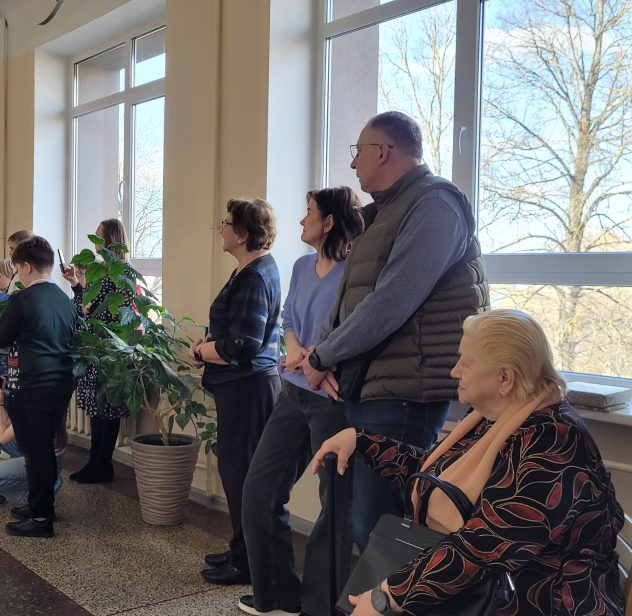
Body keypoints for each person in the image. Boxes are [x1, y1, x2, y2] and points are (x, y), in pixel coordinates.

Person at [312, 309, 624, 615]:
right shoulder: (496, 418)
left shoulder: (552, 441)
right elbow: (437, 477)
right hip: (483, 590)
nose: (454, 371)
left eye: (466, 362)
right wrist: (361, 441)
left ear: (505, 378)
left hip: (540, 600)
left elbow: (484, 544)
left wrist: (389, 596)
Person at [301, 111, 488, 550]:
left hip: (404, 395)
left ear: (383, 151)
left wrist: (322, 356)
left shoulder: (436, 204)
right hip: (367, 386)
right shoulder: (382, 214)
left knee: (381, 530)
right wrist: (318, 354)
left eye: (358, 151)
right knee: (361, 524)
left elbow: (391, 301)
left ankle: (391, 593)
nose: (353, 163)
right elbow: (346, 299)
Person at [238, 188, 364, 616]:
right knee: (259, 490)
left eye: (309, 213)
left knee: (335, 509)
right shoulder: (299, 265)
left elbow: (356, 330)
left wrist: (318, 362)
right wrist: (295, 349)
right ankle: (278, 596)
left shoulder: (353, 272)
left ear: (328, 222)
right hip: (292, 392)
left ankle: (320, 607)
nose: (301, 220)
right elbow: (288, 317)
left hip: (331, 401)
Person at [190, 198, 282, 585]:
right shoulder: (249, 269)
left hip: (248, 388)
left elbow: (243, 345)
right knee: (236, 473)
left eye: (227, 223)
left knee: (242, 475)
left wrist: (202, 352)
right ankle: (241, 549)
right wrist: (209, 347)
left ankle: (248, 563)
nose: (222, 230)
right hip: (243, 387)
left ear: (243, 234)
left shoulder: (254, 276)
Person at [0, 236, 77, 538]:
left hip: (30, 385)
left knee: (35, 454)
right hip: (59, 384)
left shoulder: (22, 300)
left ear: (26, 267)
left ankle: (40, 519)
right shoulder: (64, 299)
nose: (18, 276)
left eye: (17, 269)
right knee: (44, 450)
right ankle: (43, 507)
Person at [61, 219, 136, 484]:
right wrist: (75, 284)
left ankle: (103, 464)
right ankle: (95, 461)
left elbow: (97, 310)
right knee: (97, 410)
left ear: (110, 240)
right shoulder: (104, 271)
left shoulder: (119, 272)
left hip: (109, 350)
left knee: (107, 409)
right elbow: (86, 305)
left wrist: (85, 304)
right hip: (97, 348)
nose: (94, 242)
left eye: (98, 237)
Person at [0, 386, 66, 510]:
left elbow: (3, 437)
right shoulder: (35, 391)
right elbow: (8, 424)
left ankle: (43, 488)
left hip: (45, 461)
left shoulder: (36, 401)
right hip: (32, 450)